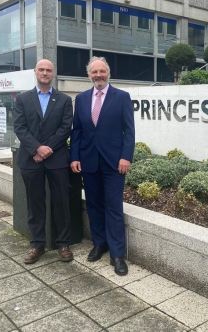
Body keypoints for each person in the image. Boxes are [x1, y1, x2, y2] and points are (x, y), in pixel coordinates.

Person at [70, 56, 135, 276]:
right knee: (94, 205)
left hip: (114, 163)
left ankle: (117, 254)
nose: (98, 75)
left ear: (108, 73)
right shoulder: (81, 99)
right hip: (88, 162)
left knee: (114, 208)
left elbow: (129, 131)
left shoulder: (122, 97)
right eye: (94, 72)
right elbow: (76, 131)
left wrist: (126, 156)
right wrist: (74, 156)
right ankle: (100, 244)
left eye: (102, 71)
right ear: (89, 75)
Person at [14, 59, 74, 264]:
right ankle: (37, 244)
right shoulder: (23, 99)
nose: (45, 73)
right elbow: (20, 127)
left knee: (61, 202)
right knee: (35, 203)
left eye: (49, 70)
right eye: (42, 69)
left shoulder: (64, 100)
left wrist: (46, 149)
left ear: (53, 73)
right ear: (35, 72)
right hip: (31, 159)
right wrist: (37, 148)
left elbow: (65, 128)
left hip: (56, 159)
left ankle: (63, 243)